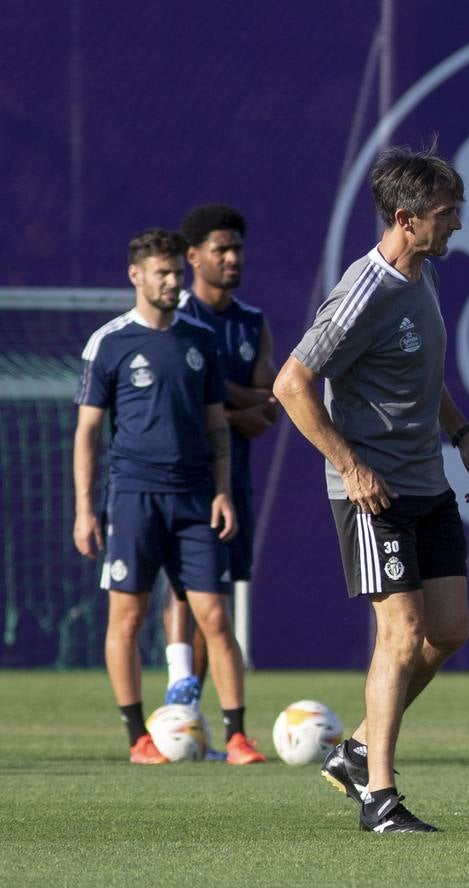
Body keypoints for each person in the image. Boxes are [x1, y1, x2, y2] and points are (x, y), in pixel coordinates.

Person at [273, 144, 469, 834]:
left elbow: (421, 380)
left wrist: (462, 436)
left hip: (426, 482)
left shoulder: (422, 275)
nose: (457, 224)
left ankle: (357, 749)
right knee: (399, 636)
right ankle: (379, 797)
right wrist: (353, 465)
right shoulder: (363, 292)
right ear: (406, 218)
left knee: (449, 630)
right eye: (446, 213)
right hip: (373, 494)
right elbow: (291, 385)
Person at [72, 228, 264, 765]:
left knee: (216, 618)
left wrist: (223, 492)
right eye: (163, 273)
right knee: (127, 619)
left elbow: (218, 428)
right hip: (133, 497)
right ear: (136, 275)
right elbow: (88, 433)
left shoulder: (199, 341)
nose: (173, 282)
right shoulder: (108, 343)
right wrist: (86, 509)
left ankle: (237, 737)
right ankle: (137, 737)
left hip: (197, 498)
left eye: (178, 272)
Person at [160, 204, 279, 715]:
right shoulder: (177, 319)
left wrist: (244, 405)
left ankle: (192, 715)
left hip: (236, 476)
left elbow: (272, 399)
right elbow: (191, 394)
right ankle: (179, 682)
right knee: (189, 590)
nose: (232, 258)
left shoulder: (252, 322)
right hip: (186, 476)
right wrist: (236, 403)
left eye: (237, 249)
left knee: (218, 595)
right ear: (193, 256)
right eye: (220, 250)